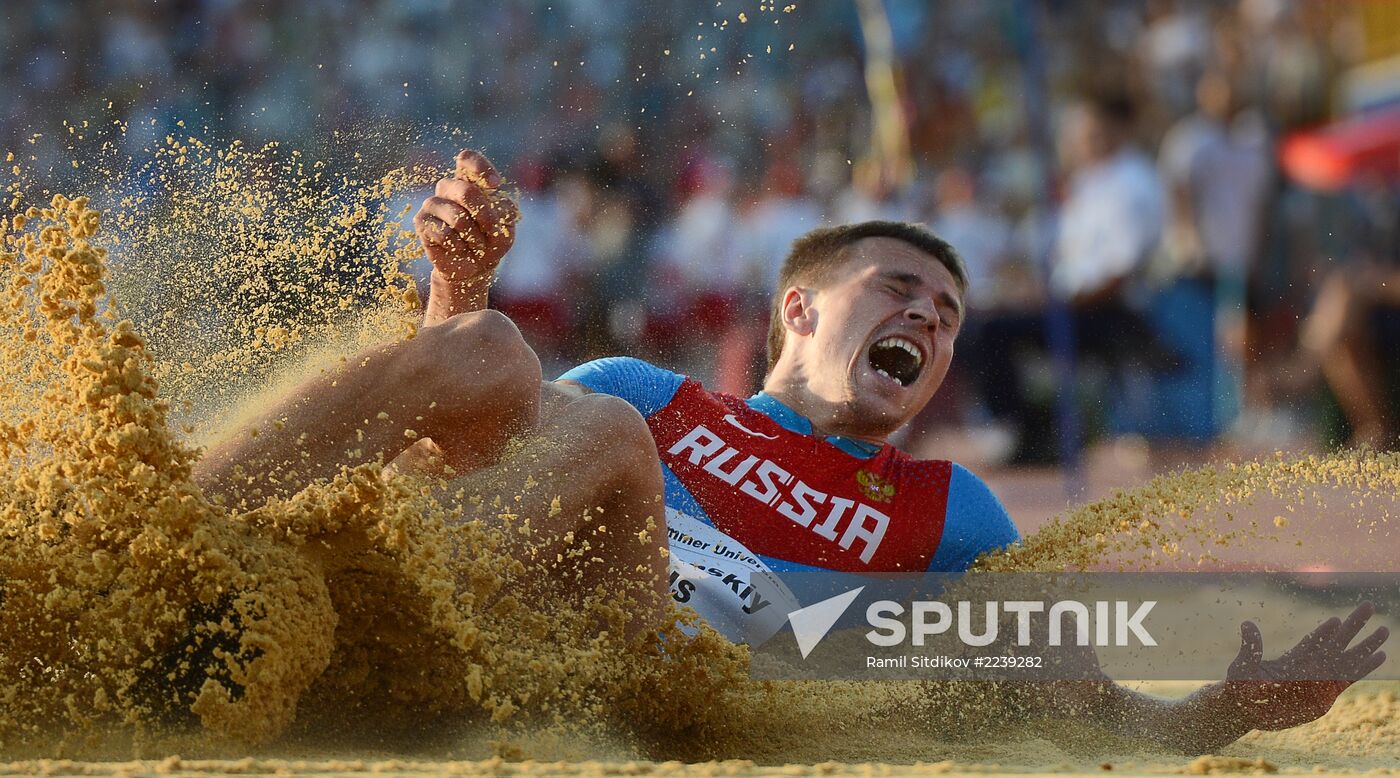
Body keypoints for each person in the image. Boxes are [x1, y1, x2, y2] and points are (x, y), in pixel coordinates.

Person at [193, 149, 1387, 755]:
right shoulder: (647, 392)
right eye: (900, 290)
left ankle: (309, 612)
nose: (927, 318)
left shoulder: (947, 510)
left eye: (946, 315)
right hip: (488, 597)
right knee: (491, 347)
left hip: (645, 669)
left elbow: (1068, 701)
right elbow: (428, 462)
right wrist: (454, 287)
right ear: (799, 311)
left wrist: (1218, 712)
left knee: (593, 427)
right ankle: (173, 545)